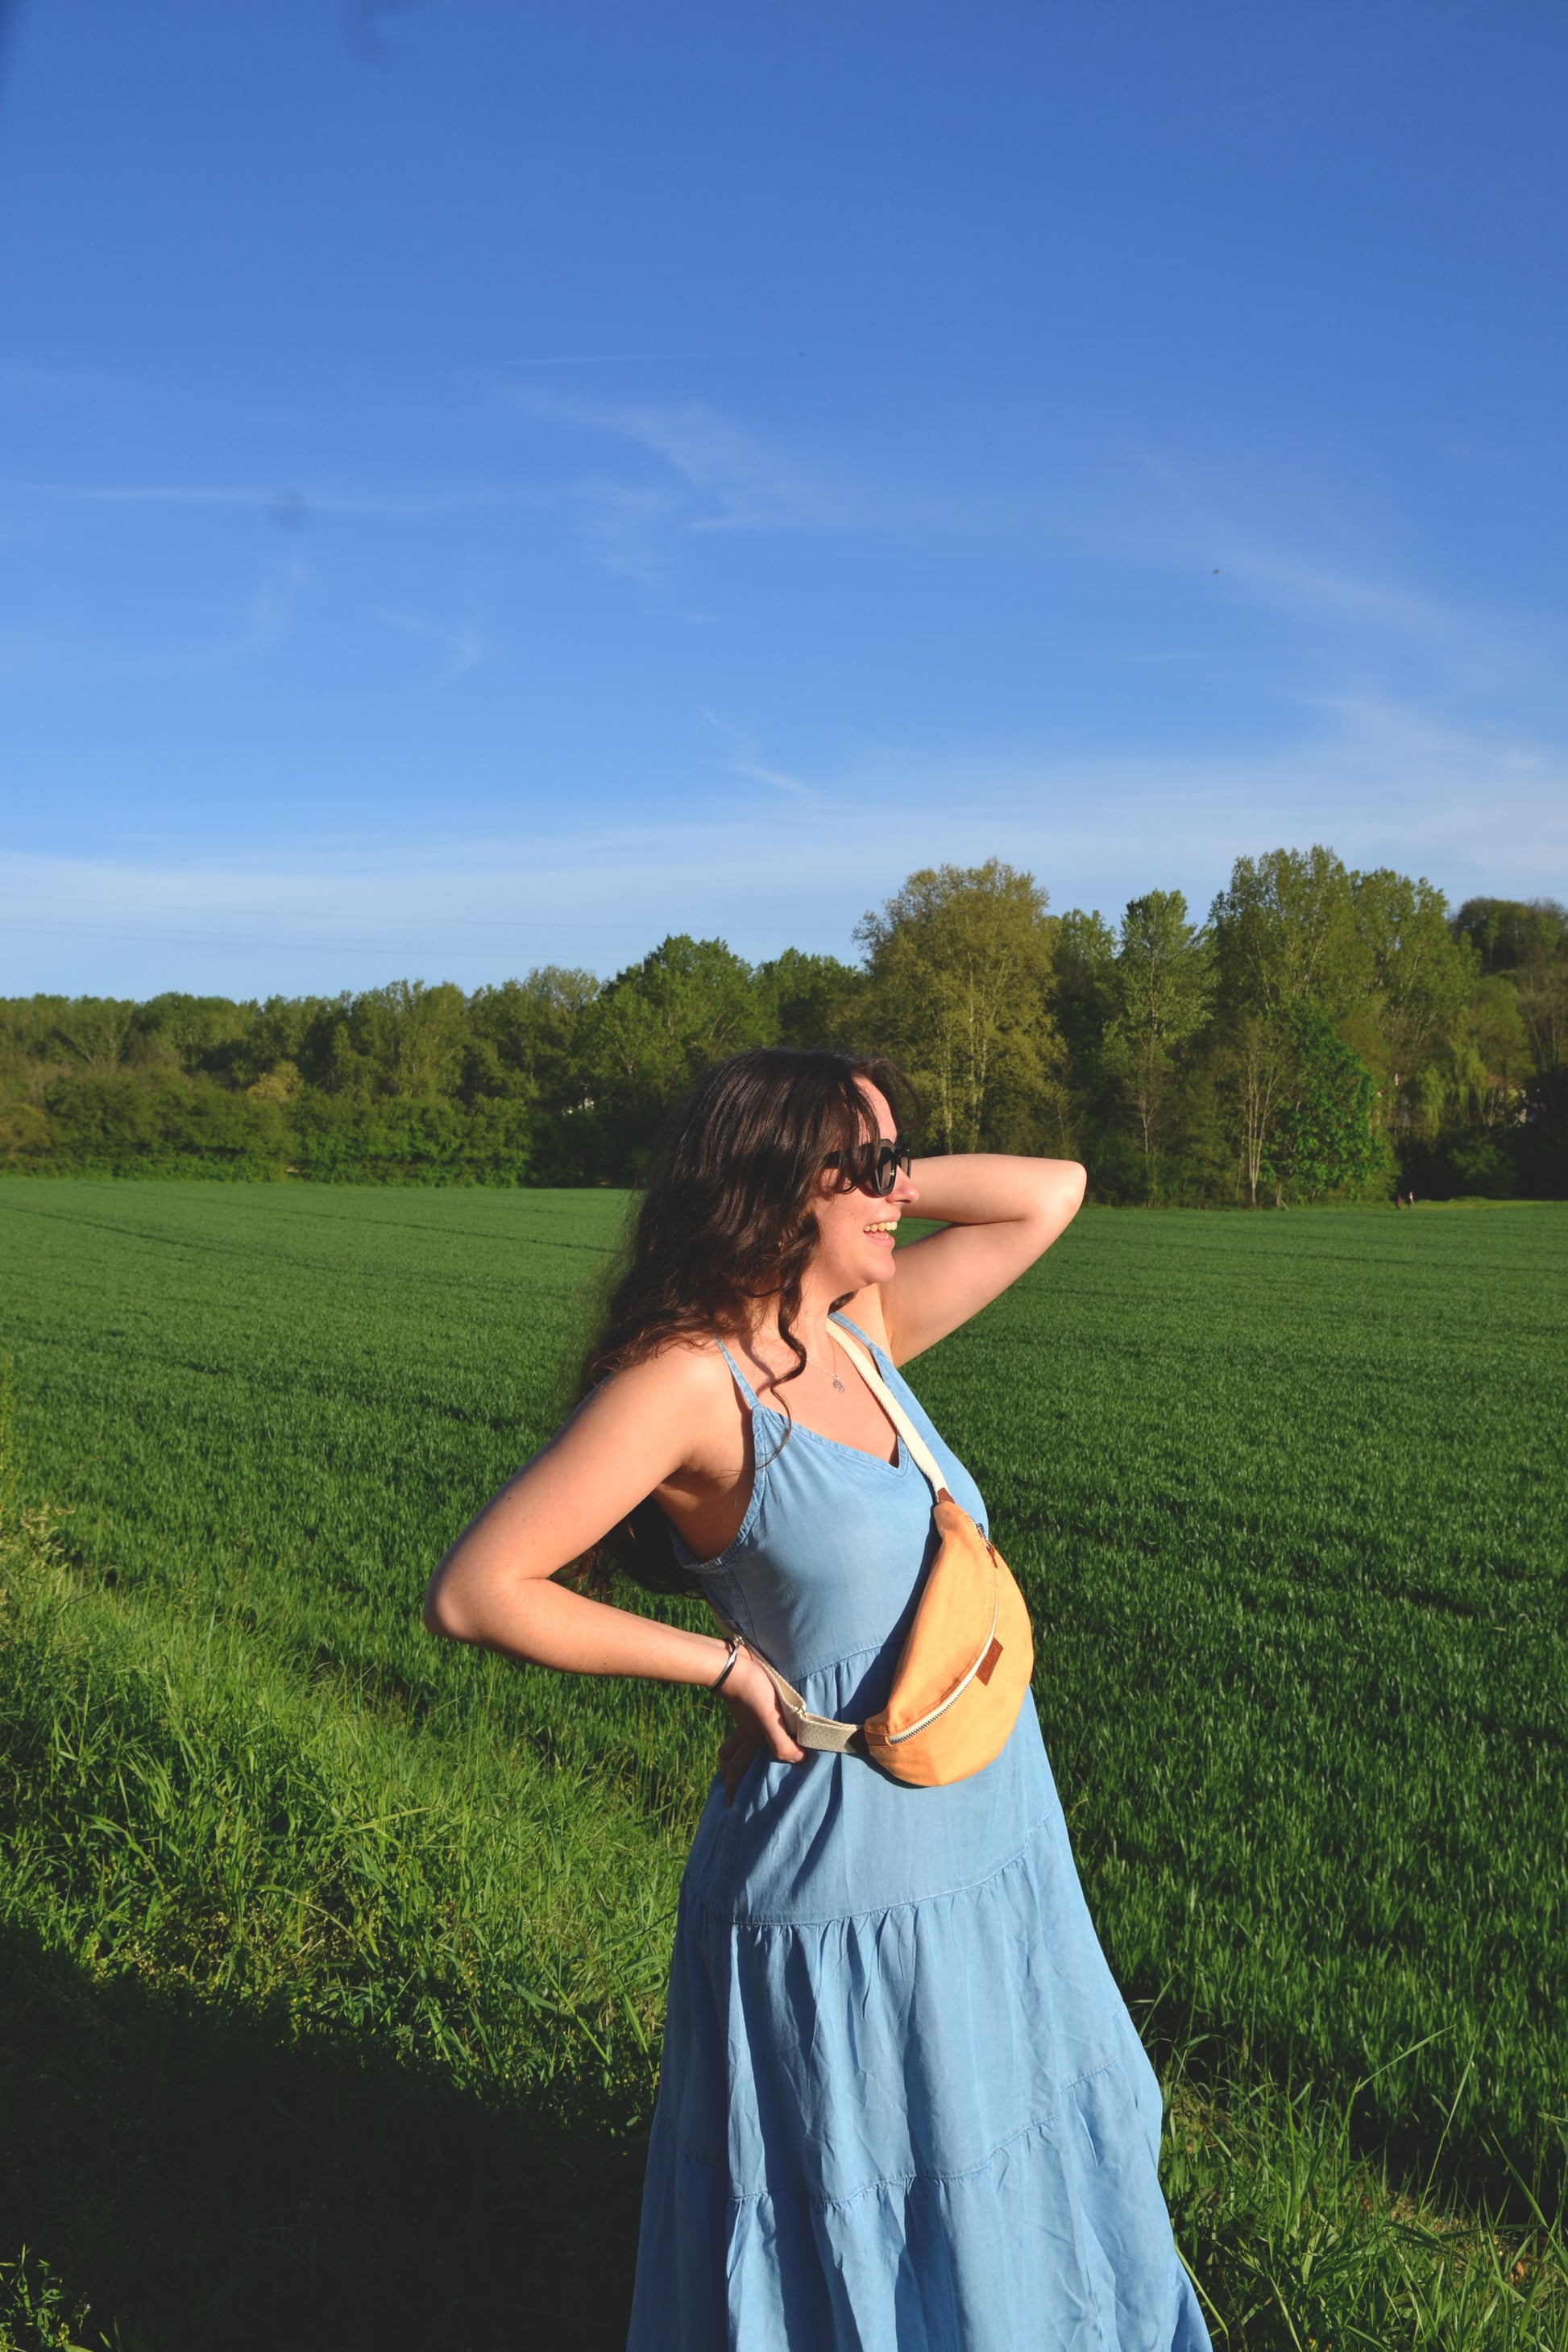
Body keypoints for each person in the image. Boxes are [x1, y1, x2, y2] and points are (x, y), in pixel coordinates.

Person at [425, 1048, 1209, 2352]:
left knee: (1011, 2149)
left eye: (901, 1162)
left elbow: (1049, 1193)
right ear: (781, 1179)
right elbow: (478, 1588)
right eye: (871, 1165)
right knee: (861, 2205)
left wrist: (871, 1168)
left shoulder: (856, 1335)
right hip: (841, 1879)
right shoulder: (688, 1382)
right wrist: (721, 1667)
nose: (900, 1191)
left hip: (990, 1833)